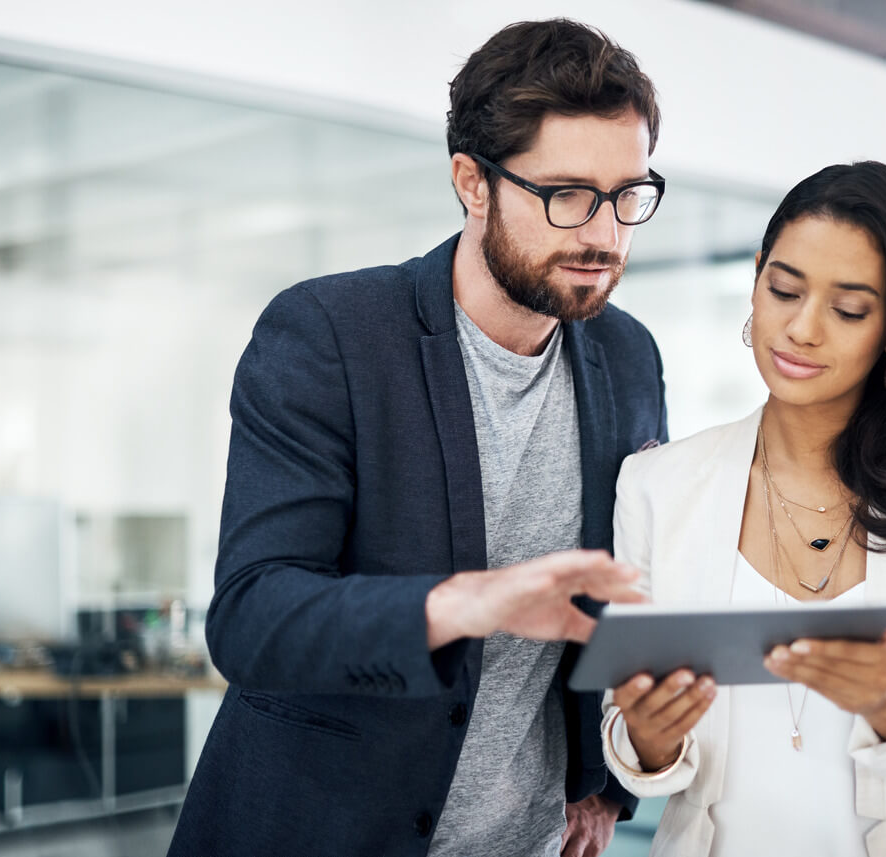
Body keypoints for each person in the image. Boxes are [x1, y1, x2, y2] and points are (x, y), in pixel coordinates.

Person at [168, 19, 671, 857]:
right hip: (321, 832)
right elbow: (253, 618)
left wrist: (601, 780)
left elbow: (612, 587)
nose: (605, 235)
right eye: (568, 195)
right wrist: (465, 601)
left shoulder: (628, 354)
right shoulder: (329, 334)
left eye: (627, 195)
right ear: (472, 183)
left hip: (524, 838)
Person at [600, 161, 886, 857]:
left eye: (849, 309)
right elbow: (626, 729)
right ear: (755, 280)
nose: (801, 329)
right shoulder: (657, 483)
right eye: (783, 289)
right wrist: (647, 738)